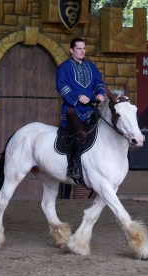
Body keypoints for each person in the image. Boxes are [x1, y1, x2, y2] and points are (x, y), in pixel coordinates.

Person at [56, 37, 105, 180]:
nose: (82, 51)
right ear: (71, 50)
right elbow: (61, 86)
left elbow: (98, 82)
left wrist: (100, 93)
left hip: (90, 110)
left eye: (84, 48)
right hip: (72, 110)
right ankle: (73, 167)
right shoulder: (64, 67)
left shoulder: (91, 66)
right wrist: (78, 98)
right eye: (79, 48)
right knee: (81, 134)